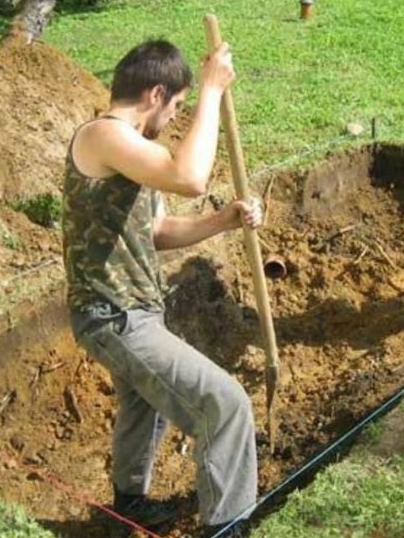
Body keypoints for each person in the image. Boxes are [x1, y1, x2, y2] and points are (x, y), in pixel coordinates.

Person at [62, 39, 260, 538]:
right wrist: (212, 89)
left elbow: (157, 232)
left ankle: (129, 504)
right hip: (113, 316)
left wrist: (224, 220)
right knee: (225, 404)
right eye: (175, 106)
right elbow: (190, 176)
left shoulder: (129, 152)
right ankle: (228, 527)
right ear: (155, 94)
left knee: (144, 402)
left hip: (133, 312)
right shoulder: (104, 134)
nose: (173, 118)